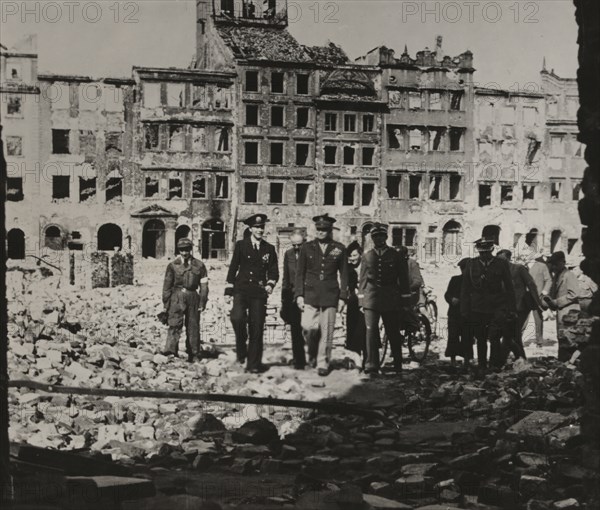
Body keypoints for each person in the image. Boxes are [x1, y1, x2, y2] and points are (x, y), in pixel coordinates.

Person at [295, 214, 349, 376]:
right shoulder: (306, 247)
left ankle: (322, 362)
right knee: (307, 327)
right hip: (310, 294)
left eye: (324, 230)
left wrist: (343, 297)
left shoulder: (339, 248)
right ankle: (312, 353)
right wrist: (299, 294)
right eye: (318, 229)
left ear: (329, 230)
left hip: (330, 295)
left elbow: (344, 274)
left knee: (327, 332)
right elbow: (300, 273)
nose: (321, 232)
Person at [225, 214, 279, 373]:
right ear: (250, 229)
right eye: (256, 227)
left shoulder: (269, 249)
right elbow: (233, 268)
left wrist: (270, 284)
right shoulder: (241, 245)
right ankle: (241, 348)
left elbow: (274, 271)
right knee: (237, 317)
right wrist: (228, 291)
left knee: (256, 328)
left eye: (262, 227)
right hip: (241, 289)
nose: (260, 230)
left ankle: (253, 364)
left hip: (258, 292)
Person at [358, 223, 411, 375]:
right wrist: (361, 301)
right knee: (371, 332)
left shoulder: (396, 255)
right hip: (371, 298)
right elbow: (362, 280)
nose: (379, 239)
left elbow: (404, 279)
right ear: (372, 238)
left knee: (393, 332)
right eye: (376, 237)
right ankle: (371, 365)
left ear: (386, 237)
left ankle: (398, 364)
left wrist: (405, 301)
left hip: (391, 298)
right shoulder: (367, 256)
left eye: (381, 236)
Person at [461, 238, 516, 371]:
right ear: (478, 251)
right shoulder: (471, 264)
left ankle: (494, 364)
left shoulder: (501, 264)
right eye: (481, 252)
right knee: (480, 337)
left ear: (491, 250)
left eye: (486, 252)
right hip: (477, 307)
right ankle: (482, 365)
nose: (484, 255)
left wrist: (511, 308)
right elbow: (465, 288)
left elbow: (509, 287)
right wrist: (464, 309)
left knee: (495, 337)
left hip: (497, 305)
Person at [162, 238, 209, 361]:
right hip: (176, 297)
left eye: (187, 249)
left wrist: (203, 301)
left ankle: (194, 353)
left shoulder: (199, 265)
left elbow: (204, 285)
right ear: (179, 250)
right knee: (174, 323)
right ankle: (171, 351)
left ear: (191, 249)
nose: (184, 253)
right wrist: (165, 305)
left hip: (193, 296)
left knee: (193, 325)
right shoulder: (172, 265)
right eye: (182, 250)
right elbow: (167, 286)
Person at [497, 249, 544, 362]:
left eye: (502, 259)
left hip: (520, 307)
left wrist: (538, 303)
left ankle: (504, 360)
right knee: (511, 335)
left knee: (513, 334)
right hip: (505, 308)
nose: (499, 262)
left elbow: (531, 284)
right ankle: (518, 359)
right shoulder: (498, 272)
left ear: (508, 258)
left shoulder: (519, 268)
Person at [545, 251, 582, 361]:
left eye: (556, 264)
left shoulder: (569, 275)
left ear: (563, 262)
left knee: (570, 340)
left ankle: (570, 363)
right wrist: (550, 302)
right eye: (553, 264)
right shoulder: (557, 275)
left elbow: (575, 293)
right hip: (562, 314)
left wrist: (556, 302)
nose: (554, 266)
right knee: (562, 339)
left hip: (570, 313)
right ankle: (563, 363)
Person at [281, 229, 306, 370]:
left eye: (299, 245)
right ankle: (299, 360)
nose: (297, 248)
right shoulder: (288, 254)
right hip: (292, 296)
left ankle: (314, 357)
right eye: (294, 245)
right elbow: (286, 277)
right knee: (296, 329)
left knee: (310, 328)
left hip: (308, 295)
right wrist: (284, 299)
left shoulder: (310, 254)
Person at [444, 258, 471, 366]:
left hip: (468, 313)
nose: (463, 271)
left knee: (467, 336)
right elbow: (447, 294)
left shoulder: (474, 282)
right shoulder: (455, 280)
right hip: (454, 313)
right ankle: (453, 360)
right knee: (453, 336)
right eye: (462, 269)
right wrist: (451, 299)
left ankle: (467, 360)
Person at [345, 241, 367, 367]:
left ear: (360, 255)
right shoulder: (348, 269)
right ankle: (354, 360)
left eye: (354, 255)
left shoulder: (366, 266)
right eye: (350, 256)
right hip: (353, 303)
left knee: (364, 331)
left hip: (366, 303)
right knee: (352, 331)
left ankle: (367, 360)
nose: (352, 259)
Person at [525, 252, 552, 345]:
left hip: (537, 296)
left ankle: (539, 341)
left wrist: (544, 291)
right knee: (522, 319)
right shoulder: (521, 266)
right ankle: (518, 341)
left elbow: (548, 279)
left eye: (526, 253)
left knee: (538, 319)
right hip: (524, 296)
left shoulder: (542, 266)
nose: (524, 256)